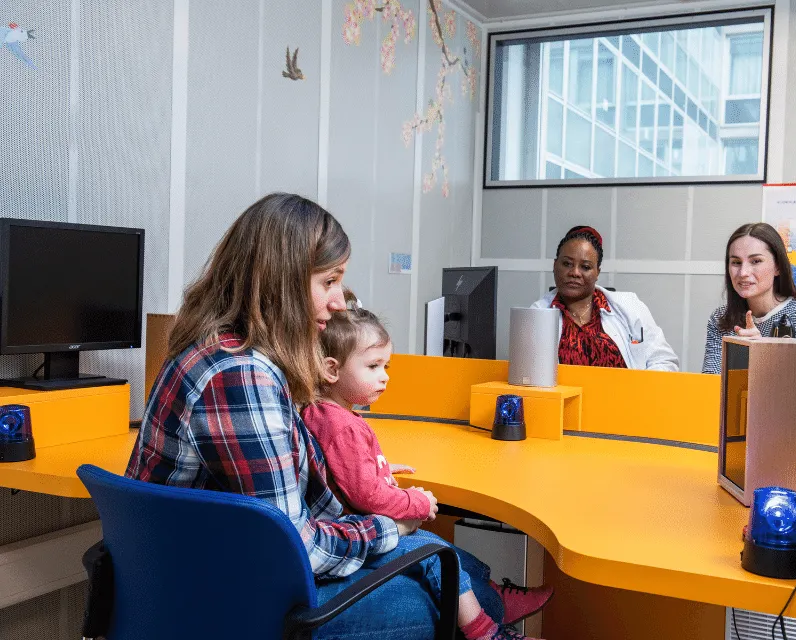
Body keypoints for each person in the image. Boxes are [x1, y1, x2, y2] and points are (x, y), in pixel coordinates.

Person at [125, 193, 504, 639]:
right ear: (280, 283)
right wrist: (387, 527)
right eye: (329, 282)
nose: (340, 302)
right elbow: (297, 550)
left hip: (201, 572)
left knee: (462, 570)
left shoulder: (216, 351)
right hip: (222, 600)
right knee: (455, 594)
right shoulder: (242, 377)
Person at [302, 306, 553, 640]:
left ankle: (494, 595)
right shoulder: (341, 424)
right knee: (438, 555)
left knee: (457, 555)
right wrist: (414, 501)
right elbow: (365, 495)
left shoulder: (324, 412)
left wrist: (379, 466)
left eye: (386, 366)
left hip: (348, 525)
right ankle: (486, 632)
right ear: (332, 370)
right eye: (373, 366)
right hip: (358, 530)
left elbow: (338, 467)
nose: (385, 376)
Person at [531, 225, 679, 371]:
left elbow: (664, 361)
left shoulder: (630, 306)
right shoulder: (536, 315)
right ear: (555, 265)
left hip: (627, 394)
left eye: (585, 267)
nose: (575, 272)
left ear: (597, 273)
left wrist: (640, 391)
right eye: (567, 264)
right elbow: (528, 373)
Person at [702, 222, 796, 375]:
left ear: (777, 267)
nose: (743, 272)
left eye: (756, 261)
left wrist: (762, 354)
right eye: (736, 262)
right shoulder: (721, 318)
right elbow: (712, 383)